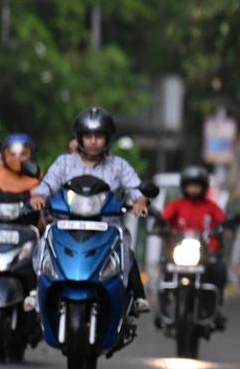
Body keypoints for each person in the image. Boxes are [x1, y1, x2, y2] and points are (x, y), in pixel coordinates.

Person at [29, 107, 151, 314]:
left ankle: (133, 297)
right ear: (79, 138)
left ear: (108, 139)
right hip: (67, 227)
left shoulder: (118, 165)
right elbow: (47, 185)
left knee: (126, 250)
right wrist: (39, 196)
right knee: (43, 246)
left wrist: (139, 201)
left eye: (99, 136)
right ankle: (37, 292)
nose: (93, 141)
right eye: (88, 136)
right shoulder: (64, 163)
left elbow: (134, 189)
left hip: (107, 229)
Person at [160, 165, 230, 326]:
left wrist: (227, 228)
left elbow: (223, 222)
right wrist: (160, 226)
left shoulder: (211, 207)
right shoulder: (177, 205)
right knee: (165, 270)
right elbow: (163, 219)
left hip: (205, 254)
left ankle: (215, 308)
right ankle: (164, 308)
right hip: (179, 253)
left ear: (204, 187)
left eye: (197, 186)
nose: (193, 189)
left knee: (219, 268)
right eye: (190, 185)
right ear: (184, 187)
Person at [0, 133, 41, 199]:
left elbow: (44, 196)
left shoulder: (36, 176)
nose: (17, 159)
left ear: (31, 156)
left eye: (23, 154)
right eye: (13, 155)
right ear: (5, 157)